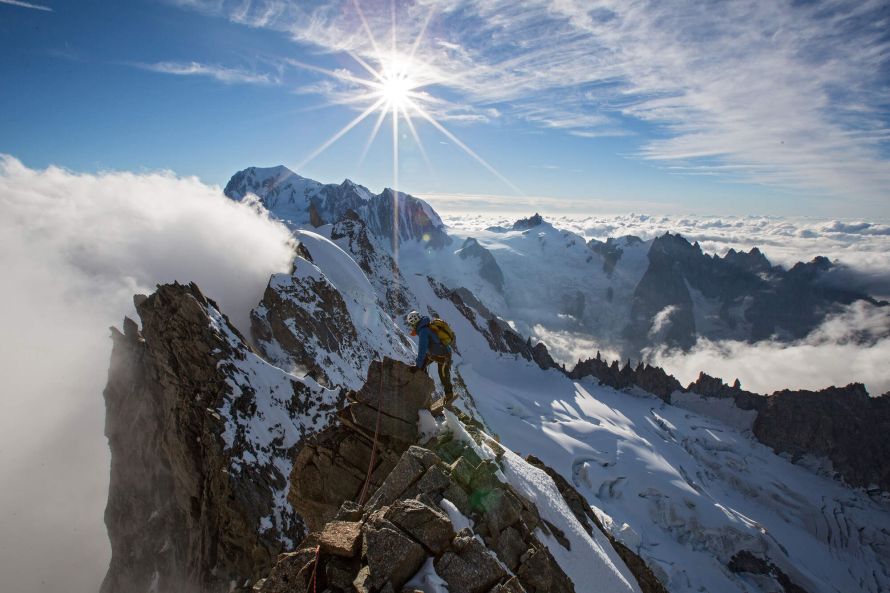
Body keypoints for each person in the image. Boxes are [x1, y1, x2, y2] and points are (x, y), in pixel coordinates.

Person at [406, 310, 454, 403]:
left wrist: (418, 366)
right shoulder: (425, 327)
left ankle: (449, 396)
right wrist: (419, 366)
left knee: (443, 375)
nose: (411, 327)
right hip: (433, 354)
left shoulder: (424, 331)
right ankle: (424, 391)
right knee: (423, 369)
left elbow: (422, 349)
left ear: (414, 323)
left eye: (411, 324)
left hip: (444, 355)